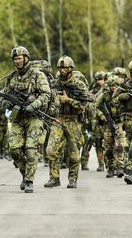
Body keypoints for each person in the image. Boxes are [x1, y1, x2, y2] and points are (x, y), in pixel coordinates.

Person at [2, 46, 51, 193]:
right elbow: (4, 95)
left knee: (30, 151)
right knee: (14, 150)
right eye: (15, 59)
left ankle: (29, 181)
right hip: (17, 117)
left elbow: (46, 95)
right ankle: (25, 174)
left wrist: (34, 104)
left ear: (26, 58)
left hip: (34, 117)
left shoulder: (37, 75)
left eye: (19, 58)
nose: (17, 61)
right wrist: (7, 103)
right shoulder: (11, 77)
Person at [44, 56, 89, 189]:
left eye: (64, 68)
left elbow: (83, 106)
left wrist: (68, 100)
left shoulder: (78, 84)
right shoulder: (55, 82)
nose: (62, 70)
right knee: (51, 150)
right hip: (58, 118)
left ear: (70, 69)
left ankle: (73, 179)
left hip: (73, 120)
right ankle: (54, 178)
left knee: (73, 154)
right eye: (60, 68)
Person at [81, 71, 106, 171]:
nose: (100, 81)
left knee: (99, 144)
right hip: (90, 120)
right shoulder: (92, 90)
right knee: (87, 143)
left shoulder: (106, 91)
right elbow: (87, 105)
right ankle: (84, 163)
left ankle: (101, 164)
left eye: (101, 79)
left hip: (100, 121)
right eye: (98, 79)